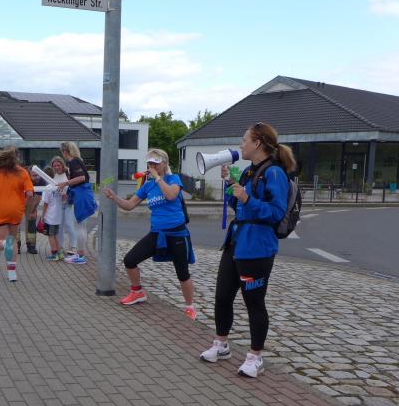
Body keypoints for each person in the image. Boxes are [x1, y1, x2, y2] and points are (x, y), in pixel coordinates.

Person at [200, 122, 295, 378]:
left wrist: (246, 198)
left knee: (254, 302)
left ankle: (255, 357)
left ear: (258, 143)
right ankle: (221, 344)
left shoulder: (274, 173)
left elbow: (276, 212)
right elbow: (239, 205)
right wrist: (231, 186)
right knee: (222, 296)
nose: (241, 145)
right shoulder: (247, 172)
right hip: (236, 242)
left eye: (245, 140)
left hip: (258, 247)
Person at [103, 149, 197, 320]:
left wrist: (158, 178)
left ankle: (190, 306)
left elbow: (171, 195)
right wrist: (114, 197)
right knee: (130, 260)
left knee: (182, 273)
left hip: (177, 233)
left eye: (156, 163)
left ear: (165, 164)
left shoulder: (174, 179)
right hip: (157, 233)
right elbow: (129, 205)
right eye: (150, 163)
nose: (152, 166)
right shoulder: (148, 186)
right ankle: (137, 292)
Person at [0, 146, 33, 282]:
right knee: (12, 239)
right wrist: (23, 205)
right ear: (17, 158)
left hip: (0, 209)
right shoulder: (23, 172)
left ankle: (4, 243)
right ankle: (12, 273)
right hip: (16, 210)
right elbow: (29, 193)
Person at [56, 142, 97, 264]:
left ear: (65, 151)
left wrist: (65, 183)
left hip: (82, 195)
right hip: (83, 194)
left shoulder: (74, 161)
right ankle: (80, 254)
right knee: (81, 226)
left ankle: (80, 256)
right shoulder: (77, 160)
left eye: (62, 152)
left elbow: (81, 178)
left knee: (79, 226)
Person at [50, 156, 73, 259]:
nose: (56, 167)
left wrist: (67, 195)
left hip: (68, 203)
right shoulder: (52, 176)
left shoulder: (68, 173)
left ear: (62, 165)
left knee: (69, 225)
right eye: (54, 166)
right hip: (58, 205)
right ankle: (61, 248)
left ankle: (73, 247)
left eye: (58, 165)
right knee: (59, 228)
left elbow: (73, 186)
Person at [41, 166, 64, 261]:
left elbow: (45, 204)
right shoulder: (58, 186)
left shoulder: (47, 188)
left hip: (50, 216)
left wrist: (43, 216)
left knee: (51, 236)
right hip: (58, 215)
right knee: (55, 235)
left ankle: (54, 254)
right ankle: (59, 253)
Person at [21, 168, 43, 254]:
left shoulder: (40, 181)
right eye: (34, 175)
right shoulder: (23, 179)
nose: (37, 177)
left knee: (31, 223)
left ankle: (31, 246)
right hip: (19, 199)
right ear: (28, 176)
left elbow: (38, 198)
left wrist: (33, 211)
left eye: (38, 175)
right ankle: (16, 245)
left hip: (32, 200)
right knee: (15, 224)